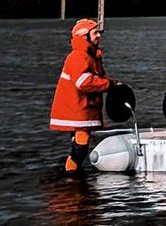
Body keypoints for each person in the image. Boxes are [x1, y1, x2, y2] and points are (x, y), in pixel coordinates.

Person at [49, 18, 117, 173]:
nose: (99, 35)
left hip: (81, 108)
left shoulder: (90, 56)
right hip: (78, 109)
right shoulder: (79, 57)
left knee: (79, 145)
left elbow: (96, 78)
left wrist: (111, 84)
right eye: (95, 33)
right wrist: (110, 85)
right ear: (84, 36)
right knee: (81, 147)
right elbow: (84, 82)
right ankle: (72, 175)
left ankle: (72, 171)